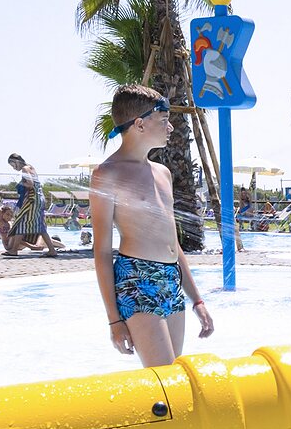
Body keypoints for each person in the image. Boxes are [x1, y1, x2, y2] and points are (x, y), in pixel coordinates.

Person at [90, 84, 214, 367]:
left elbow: (173, 244)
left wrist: (197, 300)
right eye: (164, 121)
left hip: (171, 280)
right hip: (137, 279)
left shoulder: (163, 173)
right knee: (164, 379)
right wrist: (114, 320)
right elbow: (101, 252)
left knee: (174, 380)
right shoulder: (107, 174)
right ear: (139, 124)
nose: (170, 128)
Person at [7, 153, 60, 257]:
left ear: (17, 162)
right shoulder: (31, 167)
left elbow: (30, 184)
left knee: (22, 222)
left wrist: (20, 184)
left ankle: (13, 250)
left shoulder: (25, 169)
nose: (13, 168)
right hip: (39, 199)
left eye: (13, 165)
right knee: (39, 225)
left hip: (33, 200)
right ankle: (52, 250)